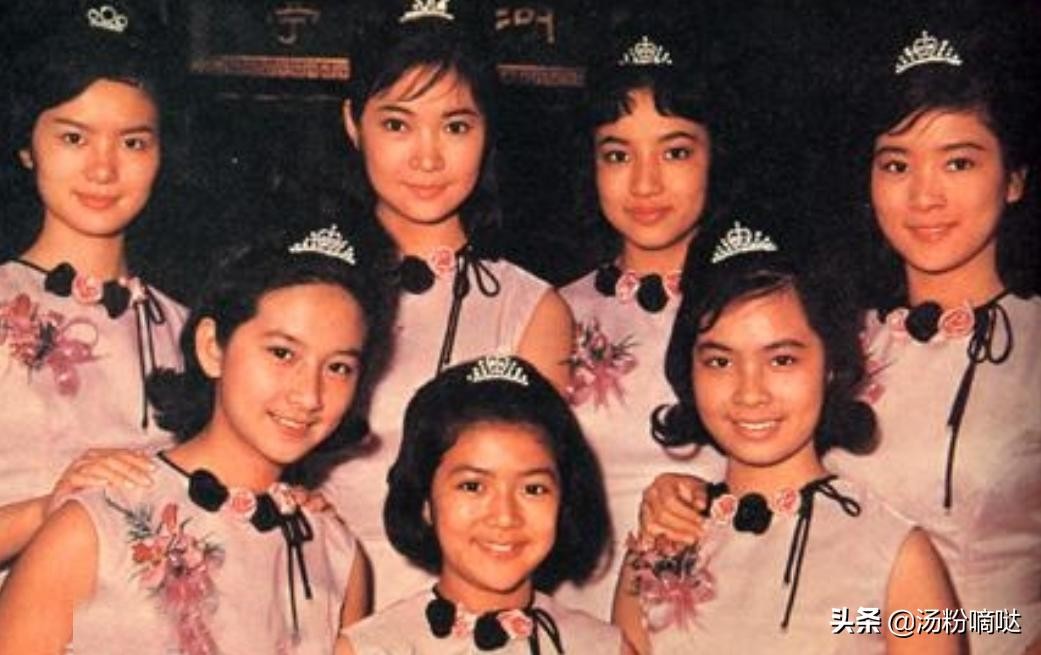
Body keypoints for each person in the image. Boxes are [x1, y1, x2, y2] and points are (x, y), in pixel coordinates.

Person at [639, 16, 1041, 655]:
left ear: (1014, 178)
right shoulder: (830, 339)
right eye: (896, 164)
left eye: (959, 162)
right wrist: (681, 496)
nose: (925, 196)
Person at [0, 223, 393, 654]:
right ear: (212, 347)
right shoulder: (96, 524)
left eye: (338, 367)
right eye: (282, 353)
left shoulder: (337, 555)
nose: (309, 395)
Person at [613, 216, 964, 654]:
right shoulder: (659, 546)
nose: (750, 393)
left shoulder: (895, 554)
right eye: (720, 362)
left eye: (781, 360)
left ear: (831, 364)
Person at [324, 0, 573, 608]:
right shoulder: (303, 288)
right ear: (354, 123)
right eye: (398, 124)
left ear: (488, 132)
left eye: (456, 126)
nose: (428, 157)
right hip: (306, 601)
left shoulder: (530, 308)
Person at [0, 0, 185, 575]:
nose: (104, 170)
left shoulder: (191, 330)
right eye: (74, 138)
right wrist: (48, 510)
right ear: (27, 146)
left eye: (133, 142)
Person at [555, 21, 725, 617]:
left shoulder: (768, 314)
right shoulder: (551, 315)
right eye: (618, 154)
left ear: (716, 154)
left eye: (675, 151)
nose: (645, 183)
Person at [338, 354, 631, 654]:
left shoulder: (604, 648)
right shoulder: (371, 648)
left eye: (533, 489)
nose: (504, 516)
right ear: (425, 500)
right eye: (473, 486)